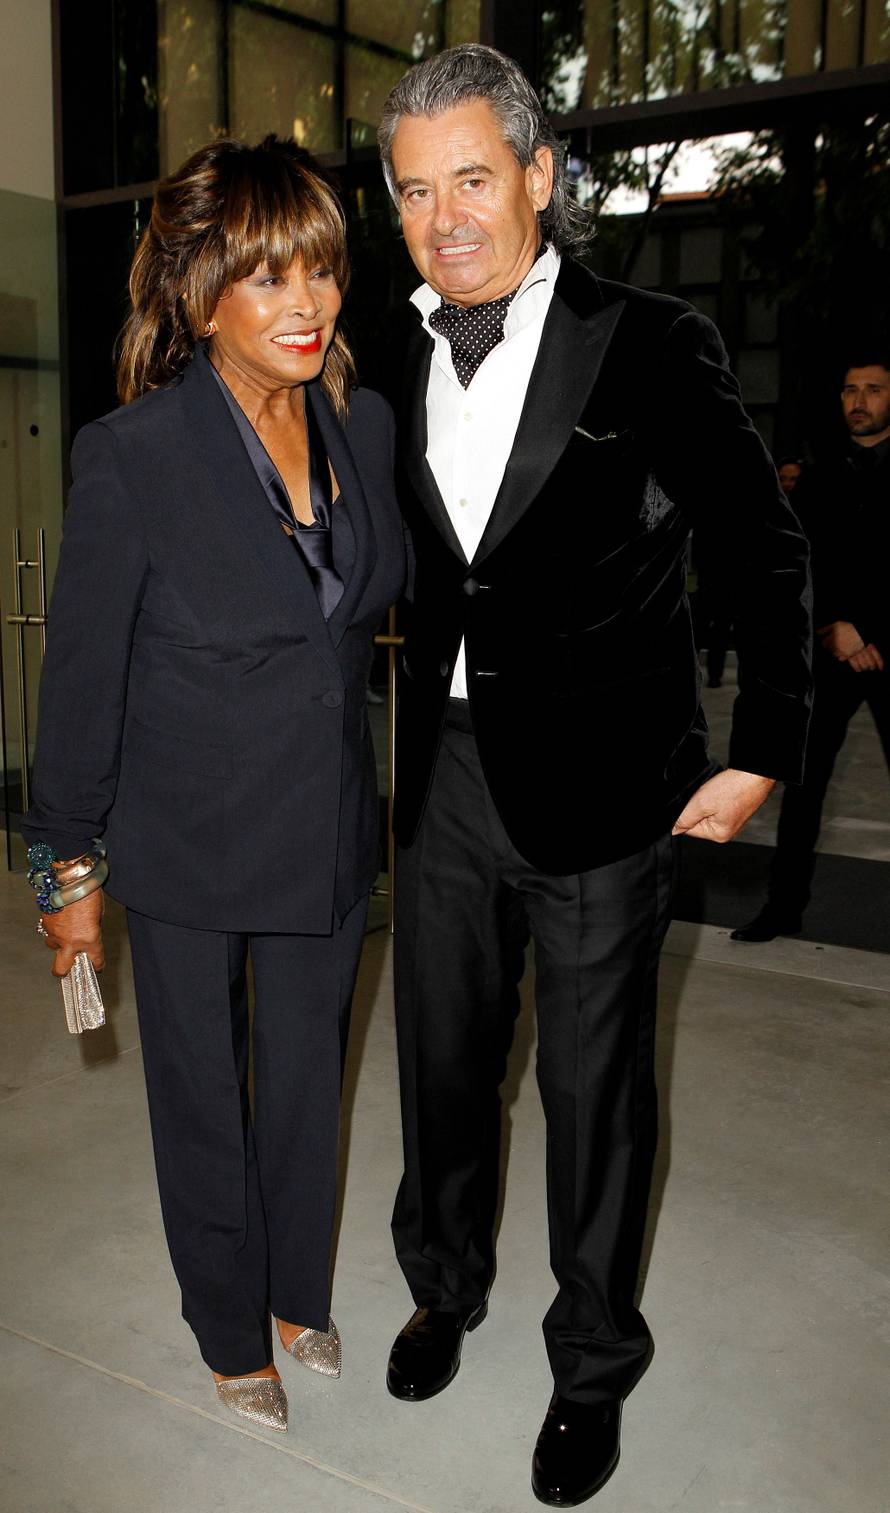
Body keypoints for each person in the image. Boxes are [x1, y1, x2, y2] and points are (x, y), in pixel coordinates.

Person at [376, 44, 812, 1507]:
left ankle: (589, 1366)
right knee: (441, 1067)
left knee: (591, 1093)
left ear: (538, 177)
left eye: (471, 180)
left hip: (606, 792)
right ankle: (442, 1286)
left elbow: (760, 547)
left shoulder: (649, 340)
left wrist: (763, 748)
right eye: (413, 190)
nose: (443, 218)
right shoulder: (385, 352)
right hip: (441, 777)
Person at [22, 136, 404, 1432]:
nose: (307, 302)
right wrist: (65, 872)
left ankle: (297, 1292)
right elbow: (81, 680)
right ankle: (229, 1324)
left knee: (305, 1079)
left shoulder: (361, 425)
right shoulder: (132, 455)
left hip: (325, 831)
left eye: (322, 268)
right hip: (185, 840)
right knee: (200, 1094)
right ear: (200, 296)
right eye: (269, 275)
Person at [732, 360, 889, 943]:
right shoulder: (820, 477)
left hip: (882, 648)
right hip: (831, 651)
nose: (859, 400)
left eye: (873, 390)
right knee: (802, 789)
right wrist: (835, 627)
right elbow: (801, 561)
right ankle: (782, 908)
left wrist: (871, 634)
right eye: (850, 389)